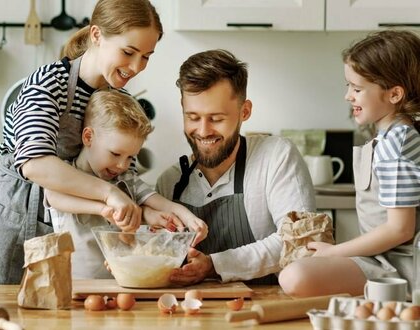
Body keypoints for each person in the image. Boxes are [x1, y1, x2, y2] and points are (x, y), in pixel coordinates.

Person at [0, 0, 201, 285]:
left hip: (68, 225)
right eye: (128, 52)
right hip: (15, 219)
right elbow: (35, 165)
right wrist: (109, 195)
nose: (136, 67)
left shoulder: (116, 99)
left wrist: (165, 209)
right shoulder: (48, 83)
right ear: (96, 35)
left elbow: (126, 175)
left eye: (146, 56)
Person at [155, 49, 316, 286]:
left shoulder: (275, 157)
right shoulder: (170, 182)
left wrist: (214, 265)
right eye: (192, 117)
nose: (203, 130)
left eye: (216, 119)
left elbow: (300, 239)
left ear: (245, 111)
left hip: (268, 308)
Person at [279, 30, 420, 297]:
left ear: (394, 94)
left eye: (357, 88)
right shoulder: (392, 136)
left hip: (400, 267)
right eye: (348, 86)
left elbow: (400, 229)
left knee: (295, 276)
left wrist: (334, 252)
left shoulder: (397, 143)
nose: (348, 96)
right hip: (383, 259)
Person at [45, 89, 207, 279]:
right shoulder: (67, 175)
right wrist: (102, 209)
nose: (122, 165)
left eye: (131, 157)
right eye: (115, 154)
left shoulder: (126, 179)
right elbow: (53, 196)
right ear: (88, 137)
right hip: (75, 286)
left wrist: (189, 219)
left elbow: (160, 202)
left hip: (121, 283)